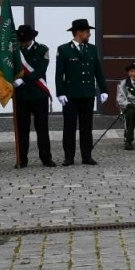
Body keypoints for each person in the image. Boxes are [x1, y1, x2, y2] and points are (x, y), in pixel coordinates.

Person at [55, 18, 108, 166]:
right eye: (87, 31)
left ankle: (87, 156)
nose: (89, 34)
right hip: (71, 95)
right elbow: (59, 73)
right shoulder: (64, 49)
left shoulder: (92, 49)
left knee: (87, 128)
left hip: (87, 94)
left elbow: (98, 70)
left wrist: (103, 89)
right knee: (69, 127)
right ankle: (69, 157)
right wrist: (60, 92)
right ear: (78, 32)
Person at [11, 24, 55, 167]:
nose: (23, 43)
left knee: (42, 128)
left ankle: (46, 157)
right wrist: (12, 80)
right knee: (22, 129)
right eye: (21, 40)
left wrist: (22, 80)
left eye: (25, 40)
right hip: (21, 96)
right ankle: (22, 159)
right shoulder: (14, 51)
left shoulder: (42, 49)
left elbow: (40, 71)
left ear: (32, 38)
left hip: (38, 94)